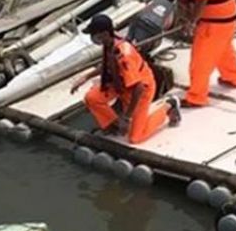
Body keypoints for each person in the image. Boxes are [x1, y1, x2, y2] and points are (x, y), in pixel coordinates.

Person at [73, 14, 180, 144]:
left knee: (135, 137)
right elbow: (108, 65)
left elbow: (138, 88)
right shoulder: (109, 43)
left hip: (141, 89)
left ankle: (168, 107)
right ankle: (114, 125)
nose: (93, 39)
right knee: (92, 98)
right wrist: (85, 77)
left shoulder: (124, 55)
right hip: (120, 84)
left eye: (95, 35)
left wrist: (127, 118)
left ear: (105, 33)